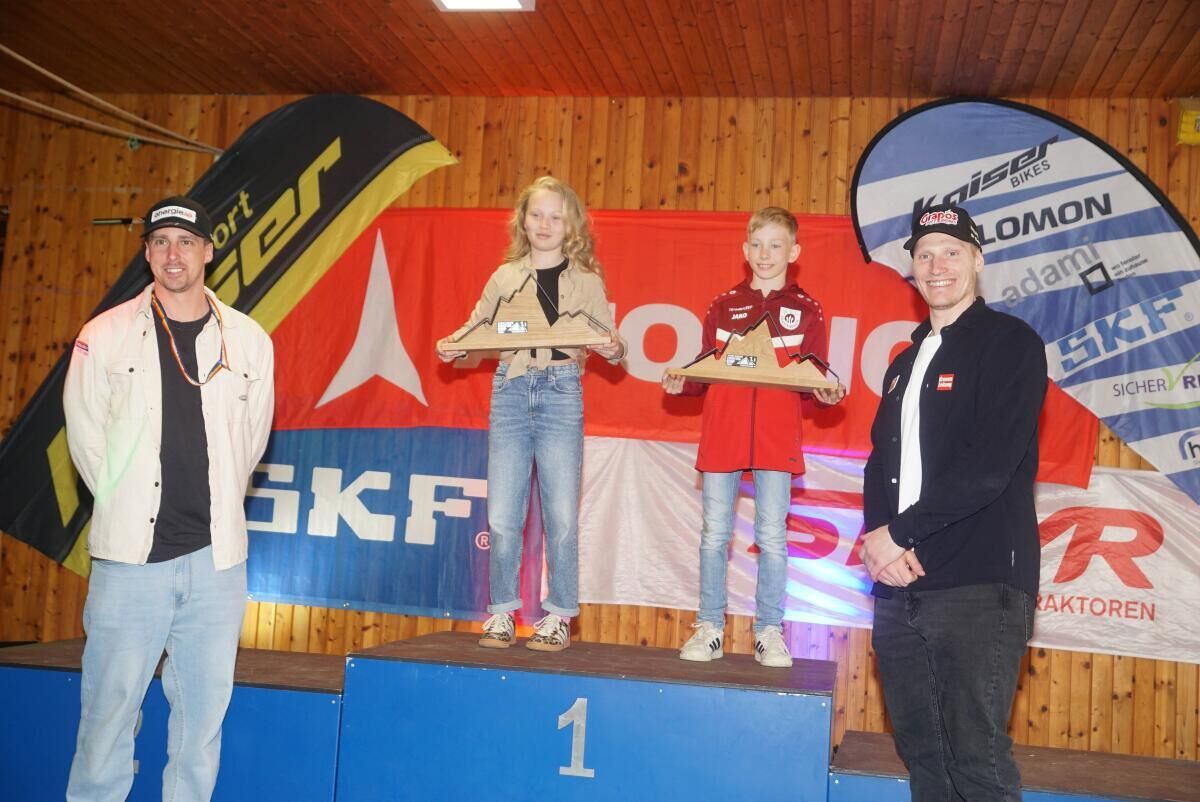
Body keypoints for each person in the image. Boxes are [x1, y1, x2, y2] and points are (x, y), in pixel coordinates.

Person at [63, 196, 274, 800]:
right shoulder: (103, 335)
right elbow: (86, 440)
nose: (172, 254)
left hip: (216, 566)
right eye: (160, 242)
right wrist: (126, 506)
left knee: (200, 728)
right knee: (107, 719)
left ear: (209, 251)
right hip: (130, 566)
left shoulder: (249, 340)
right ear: (147, 253)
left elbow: (251, 442)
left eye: (185, 241)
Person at [859, 204, 1046, 801]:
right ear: (912, 268)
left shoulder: (1011, 343)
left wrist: (899, 534)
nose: (937, 265)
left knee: (975, 762)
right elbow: (879, 464)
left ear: (978, 260)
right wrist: (879, 542)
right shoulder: (903, 362)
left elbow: (989, 466)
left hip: (978, 584)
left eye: (951, 252)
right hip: (899, 585)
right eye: (925, 254)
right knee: (925, 762)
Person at [437, 176, 624, 652]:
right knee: (502, 514)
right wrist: (454, 346)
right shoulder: (504, 277)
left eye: (555, 217)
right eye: (536, 214)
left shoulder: (586, 281)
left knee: (561, 515)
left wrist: (615, 347)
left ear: (570, 225)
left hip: (561, 391)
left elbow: (612, 343)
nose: (545, 224)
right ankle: (501, 612)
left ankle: (558, 615)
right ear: (522, 221)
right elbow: (476, 330)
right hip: (511, 389)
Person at [664, 207, 845, 668]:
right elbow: (704, 371)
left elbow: (815, 379)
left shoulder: (808, 309)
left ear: (794, 252)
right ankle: (709, 627)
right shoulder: (723, 305)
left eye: (776, 246)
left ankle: (769, 630)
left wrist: (826, 394)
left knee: (772, 537)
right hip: (722, 434)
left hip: (776, 439)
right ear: (745, 250)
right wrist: (683, 383)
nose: (766, 255)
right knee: (714, 534)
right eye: (758, 245)